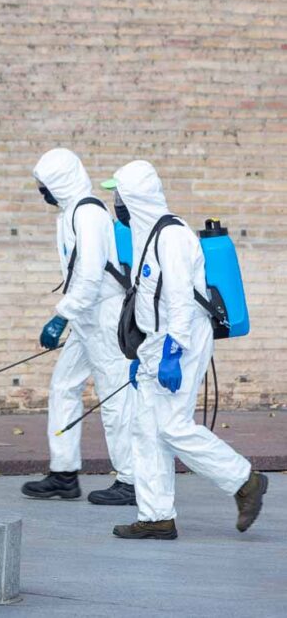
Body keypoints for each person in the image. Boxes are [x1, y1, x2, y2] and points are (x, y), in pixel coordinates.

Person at [107, 160, 268, 539]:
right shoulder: (147, 237)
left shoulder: (173, 236)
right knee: (144, 430)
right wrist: (146, 352)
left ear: (136, 197)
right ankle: (156, 516)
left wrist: (172, 353)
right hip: (157, 345)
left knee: (172, 427)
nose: (116, 204)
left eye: (119, 196)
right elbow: (150, 301)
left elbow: (179, 300)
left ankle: (245, 481)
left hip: (181, 341)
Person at [21, 148, 137, 505]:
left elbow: (89, 273)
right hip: (86, 318)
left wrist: (61, 315)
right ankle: (64, 473)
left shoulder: (88, 213)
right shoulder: (71, 212)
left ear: (61, 183)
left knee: (115, 396)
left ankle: (131, 479)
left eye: (45, 185)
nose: (42, 192)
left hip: (103, 317)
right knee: (63, 386)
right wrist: (71, 314)